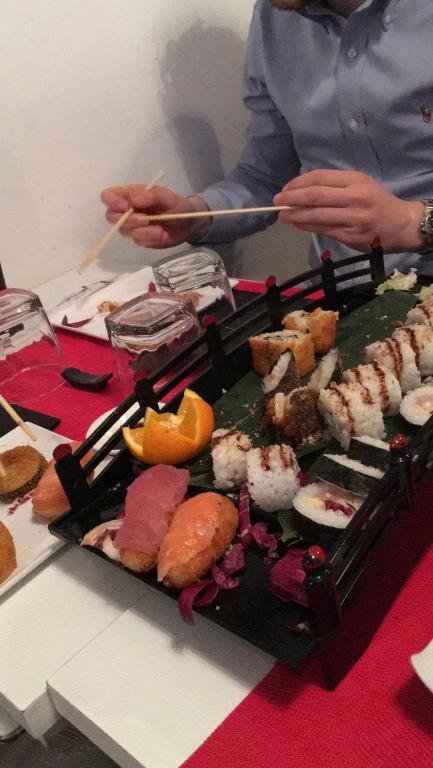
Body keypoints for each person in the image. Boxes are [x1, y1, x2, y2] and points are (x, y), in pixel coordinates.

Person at [101, 0, 433, 276]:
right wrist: (194, 216)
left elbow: (410, 222)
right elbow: (264, 177)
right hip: (343, 293)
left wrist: (413, 222)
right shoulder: (272, 20)